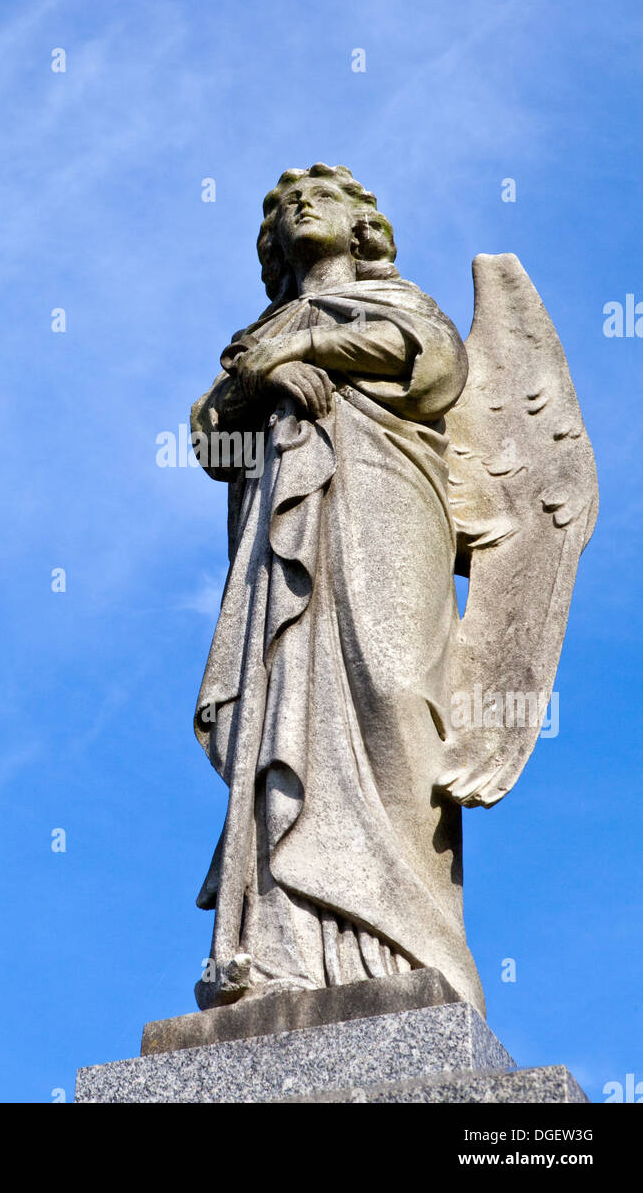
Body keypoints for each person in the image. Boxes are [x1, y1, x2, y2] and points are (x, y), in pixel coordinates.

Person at [190, 162, 485, 1013]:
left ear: (363, 226)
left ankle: (415, 947)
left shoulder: (399, 304)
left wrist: (309, 345)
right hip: (284, 558)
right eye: (284, 206)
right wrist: (263, 375)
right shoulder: (258, 339)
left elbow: (429, 364)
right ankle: (285, 951)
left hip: (388, 520)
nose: (300, 207)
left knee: (395, 698)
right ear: (274, 244)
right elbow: (212, 441)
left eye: (319, 197)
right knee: (286, 714)